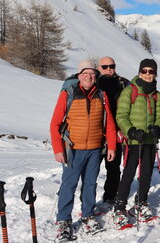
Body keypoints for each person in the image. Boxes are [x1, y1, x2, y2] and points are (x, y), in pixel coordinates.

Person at [50, 60, 116, 241]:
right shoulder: (68, 94)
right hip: (72, 149)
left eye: (93, 74)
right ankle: (64, 221)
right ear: (79, 76)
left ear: (96, 77)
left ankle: (88, 215)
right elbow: (55, 124)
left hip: (94, 149)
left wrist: (111, 146)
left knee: (90, 185)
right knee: (68, 185)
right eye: (85, 73)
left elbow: (109, 123)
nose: (89, 77)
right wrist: (58, 149)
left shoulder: (101, 95)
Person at [112, 59, 160, 228]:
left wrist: (158, 127)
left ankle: (141, 203)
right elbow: (121, 116)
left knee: (147, 173)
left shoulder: (157, 94)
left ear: (155, 74)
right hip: (133, 141)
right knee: (128, 174)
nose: (148, 74)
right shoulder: (130, 91)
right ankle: (119, 207)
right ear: (140, 72)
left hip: (149, 141)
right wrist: (132, 132)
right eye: (145, 71)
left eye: (151, 71)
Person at [97, 56, 130, 207]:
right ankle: (88, 200)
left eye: (112, 66)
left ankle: (110, 195)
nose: (109, 69)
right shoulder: (93, 83)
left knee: (113, 168)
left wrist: (123, 129)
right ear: (99, 68)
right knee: (91, 170)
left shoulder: (123, 83)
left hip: (116, 132)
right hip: (96, 134)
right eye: (105, 67)